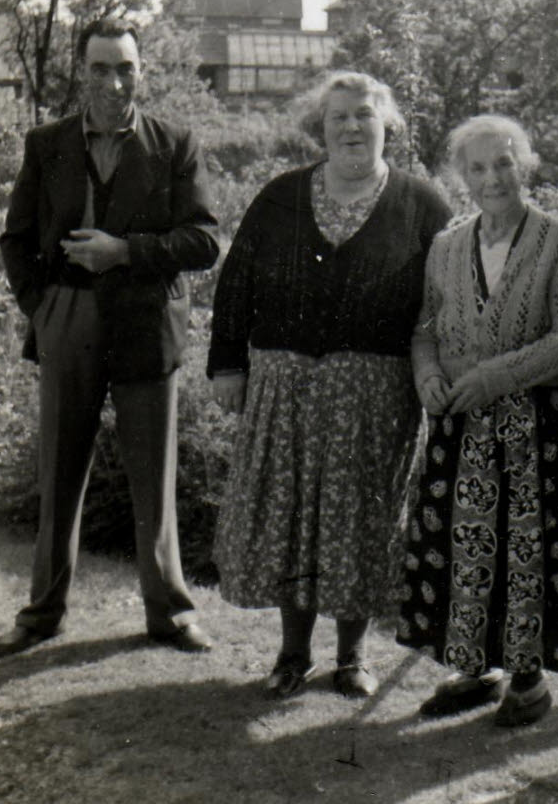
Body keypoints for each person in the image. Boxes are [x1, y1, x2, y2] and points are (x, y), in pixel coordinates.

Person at [208, 71, 450, 699]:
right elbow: (236, 282)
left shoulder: (423, 205)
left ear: (387, 125)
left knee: (360, 521)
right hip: (285, 385)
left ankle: (351, 657)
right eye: (337, 116)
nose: (350, 127)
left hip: (375, 395)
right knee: (290, 518)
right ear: (320, 127)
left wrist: (441, 377)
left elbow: (448, 299)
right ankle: (292, 656)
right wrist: (228, 364)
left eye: (363, 115)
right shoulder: (279, 197)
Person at [0, 17, 219, 659]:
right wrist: (43, 310)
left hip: (146, 322)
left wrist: (125, 251)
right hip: (69, 318)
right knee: (59, 470)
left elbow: (204, 240)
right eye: (99, 68)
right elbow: (15, 241)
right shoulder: (47, 144)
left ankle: (170, 615)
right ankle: (41, 614)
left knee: (153, 474)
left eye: (125, 68)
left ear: (140, 72)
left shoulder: (174, 145)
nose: (113, 82)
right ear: (82, 72)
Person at [397, 115, 558, 726]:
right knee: (464, 547)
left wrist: (496, 376)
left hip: (535, 424)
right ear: (461, 177)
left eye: (504, 163)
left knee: (524, 546)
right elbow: (424, 327)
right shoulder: (447, 245)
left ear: (525, 165)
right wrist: (426, 374)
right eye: (477, 168)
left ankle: (528, 685)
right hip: (460, 424)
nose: (492, 178)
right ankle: (476, 670)